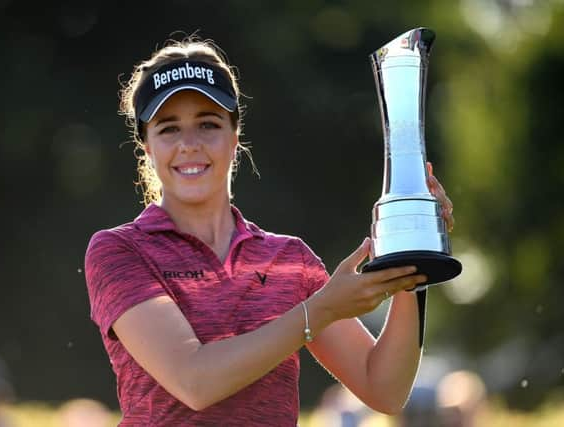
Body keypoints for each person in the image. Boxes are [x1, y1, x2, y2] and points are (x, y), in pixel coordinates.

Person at [84, 35, 455, 426]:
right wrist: (320, 310)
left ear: (234, 135)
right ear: (146, 145)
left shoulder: (288, 260)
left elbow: (384, 388)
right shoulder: (120, 251)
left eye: (208, 124)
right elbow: (194, 381)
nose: (189, 144)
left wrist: (414, 259)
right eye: (169, 129)